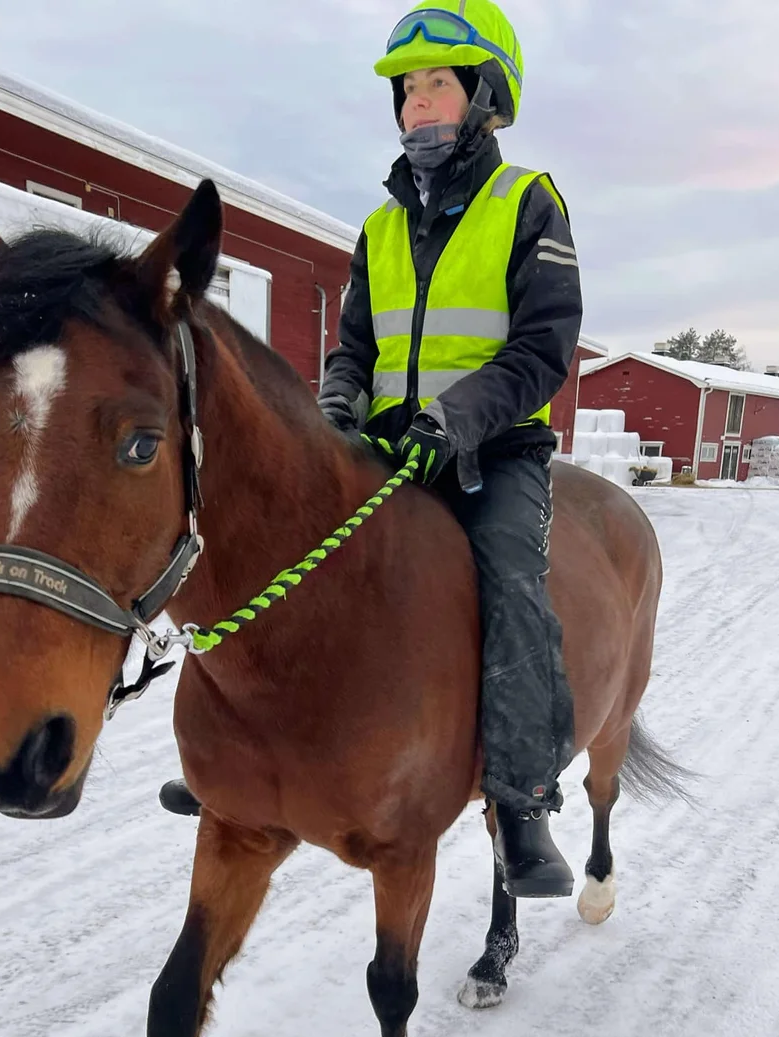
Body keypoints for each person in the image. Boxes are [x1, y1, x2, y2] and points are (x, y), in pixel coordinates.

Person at [161, 0, 580, 899]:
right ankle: (242, 764)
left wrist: (455, 422)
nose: (418, 104)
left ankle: (521, 798)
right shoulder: (381, 226)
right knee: (273, 550)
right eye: (409, 89)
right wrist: (337, 406)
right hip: (388, 444)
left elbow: (542, 348)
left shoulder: (528, 203)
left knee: (511, 585)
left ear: (484, 96)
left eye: (438, 84)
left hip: (493, 450)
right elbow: (354, 345)